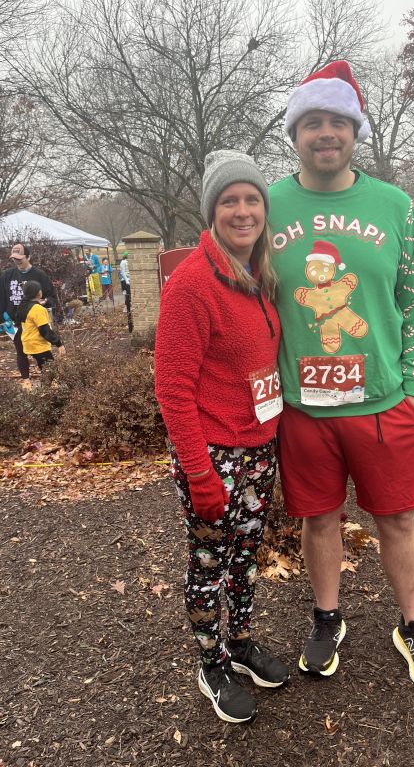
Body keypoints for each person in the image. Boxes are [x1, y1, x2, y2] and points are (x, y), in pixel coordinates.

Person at [269, 60, 414, 693]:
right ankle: (327, 618)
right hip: (303, 407)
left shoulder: (394, 205)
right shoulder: (266, 205)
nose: (326, 133)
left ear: (354, 132)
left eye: (338, 122)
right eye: (313, 122)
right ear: (296, 133)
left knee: (397, 520)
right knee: (318, 520)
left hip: (382, 402)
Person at [154, 150, 289, 724]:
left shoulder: (260, 275)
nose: (243, 210)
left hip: (258, 448)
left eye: (252, 199)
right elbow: (172, 388)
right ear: (212, 211)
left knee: (246, 556)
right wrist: (199, 472)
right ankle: (211, 663)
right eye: (229, 200)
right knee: (210, 561)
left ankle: (240, 643)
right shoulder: (192, 283)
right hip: (212, 454)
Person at [0, 243, 57, 387]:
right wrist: (2, 318)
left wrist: (45, 302)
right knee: (20, 351)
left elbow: (51, 296)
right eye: (14, 259)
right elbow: (1, 297)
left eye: (20, 258)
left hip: (34, 322)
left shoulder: (39, 275)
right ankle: (26, 381)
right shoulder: (7, 275)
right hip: (14, 322)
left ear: (28, 257)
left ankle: (49, 381)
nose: (17, 261)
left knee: (41, 351)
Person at [13, 280, 65, 369]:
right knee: (50, 370)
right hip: (38, 344)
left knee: (44, 367)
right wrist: (59, 344)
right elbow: (45, 330)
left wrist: (37, 304)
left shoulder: (23, 306)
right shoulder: (37, 309)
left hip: (28, 343)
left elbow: (19, 321)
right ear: (38, 293)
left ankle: (46, 377)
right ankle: (48, 378)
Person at [119, 252, 133, 332]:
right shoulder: (123, 262)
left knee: (130, 293)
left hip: (129, 279)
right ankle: (127, 305)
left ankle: (129, 304)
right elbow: (123, 272)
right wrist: (126, 280)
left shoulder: (128, 261)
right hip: (125, 281)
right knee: (126, 294)